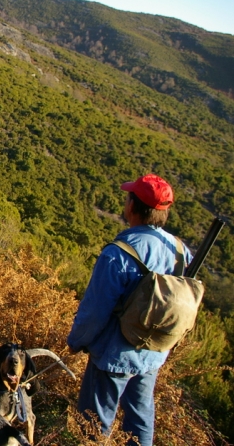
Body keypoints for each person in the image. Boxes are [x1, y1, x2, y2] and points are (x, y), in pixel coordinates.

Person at [67, 174, 192, 446]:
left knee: (93, 424)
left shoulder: (119, 253)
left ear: (133, 207)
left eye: (128, 198)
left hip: (113, 355)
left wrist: (76, 341)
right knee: (140, 419)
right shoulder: (182, 252)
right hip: (153, 353)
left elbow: (95, 311)